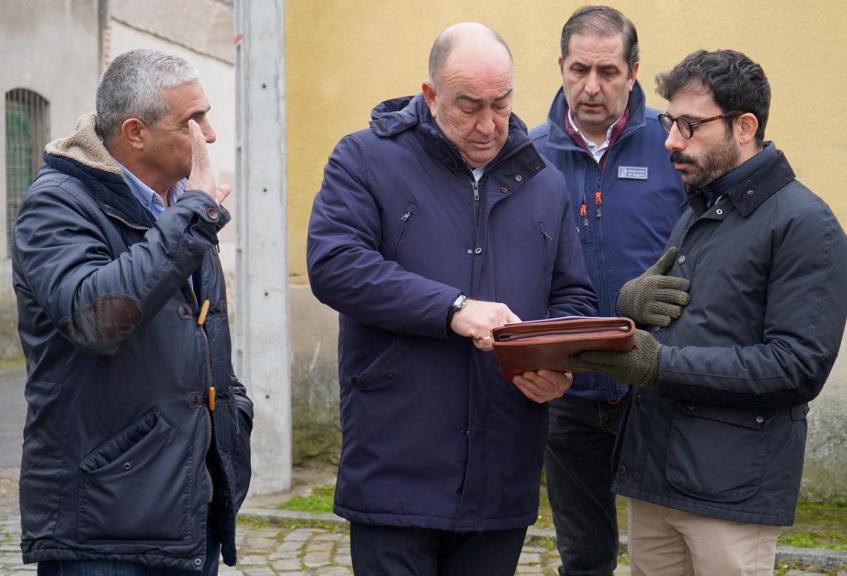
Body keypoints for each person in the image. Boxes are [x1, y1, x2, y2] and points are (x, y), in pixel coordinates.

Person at [306, 22, 597, 576]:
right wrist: (453, 309)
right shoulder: (364, 159)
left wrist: (557, 363)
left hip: (503, 466)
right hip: (396, 463)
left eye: (501, 103)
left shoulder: (545, 182)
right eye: (469, 106)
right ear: (431, 95)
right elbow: (335, 265)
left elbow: (572, 294)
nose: (489, 124)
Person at [570, 49, 847, 576]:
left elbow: (796, 366)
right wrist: (630, 307)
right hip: (655, 480)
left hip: (729, 494)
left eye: (690, 125)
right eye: (669, 122)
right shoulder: (699, 209)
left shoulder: (806, 226)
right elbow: (699, 324)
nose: (671, 141)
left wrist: (659, 365)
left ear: (744, 127)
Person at [12, 49, 253, 575]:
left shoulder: (180, 203)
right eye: (192, 122)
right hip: (102, 522)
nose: (210, 136)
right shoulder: (57, 204)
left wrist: (233, 414)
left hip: (186, 506)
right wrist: (193, 216)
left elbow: (202, 333)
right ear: (135, 133)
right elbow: (97, 320)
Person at [529, 6, 687, 575]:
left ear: (634, 71)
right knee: (585, 554)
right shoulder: (528, 153)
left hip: (656, 381)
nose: (591, 86)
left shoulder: (673, 145)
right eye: (579, 70)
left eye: (608, 71)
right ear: (561, 67)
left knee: (669, 548)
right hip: (568, 388)